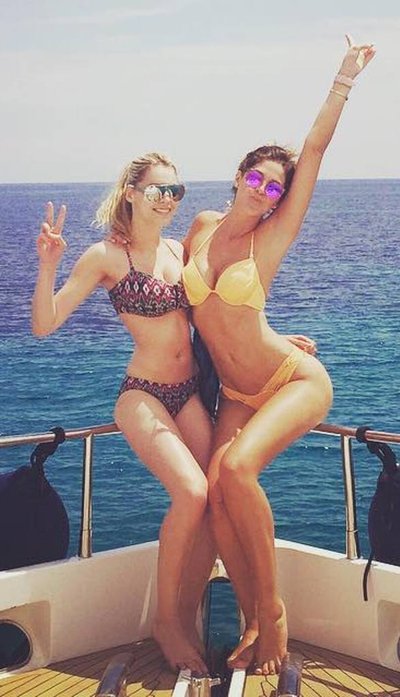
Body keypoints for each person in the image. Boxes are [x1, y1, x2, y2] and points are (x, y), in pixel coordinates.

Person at [182, 36, 375, 676]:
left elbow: (312, 150)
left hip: (293, 380)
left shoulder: (272, 237)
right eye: (257, 178)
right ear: (240, 176)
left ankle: (274, 611)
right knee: (215, 499)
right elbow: (199, 311)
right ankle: (251, 618)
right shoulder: (201, 227)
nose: (264, 190)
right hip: (238, 393)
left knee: (237, 471)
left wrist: (343, 79)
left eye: (274, 187)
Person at [31, 152, 215, 674]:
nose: (167, 200)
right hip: (143, 394)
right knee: (192, 493)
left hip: (189, 393)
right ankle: (165, 622)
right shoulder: (107, 256)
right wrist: (48, 264)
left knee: (216, 500)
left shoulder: (179, 251)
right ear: (131, 193)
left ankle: (185, 616)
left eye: (175, 191)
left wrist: (275, 341)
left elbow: (215, 318)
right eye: (157, 190)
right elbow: (45, 324)